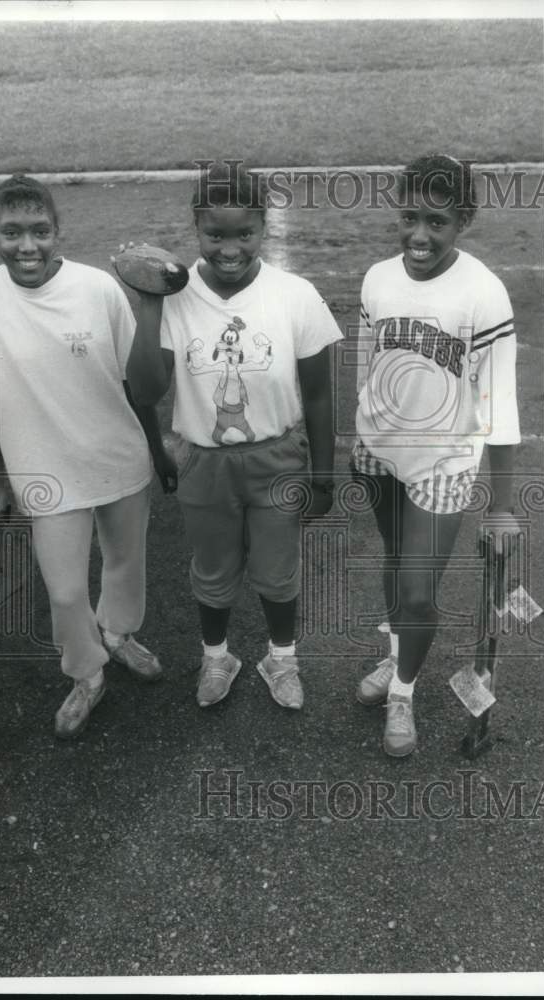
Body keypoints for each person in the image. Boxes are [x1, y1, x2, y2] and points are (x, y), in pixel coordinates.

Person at [0, 174, 175, 739]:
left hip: (118, 458)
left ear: (58, 232)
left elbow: (135, 387)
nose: (27, 246)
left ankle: (119, 634)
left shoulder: (97, 289)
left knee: (126, 564)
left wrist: (158, 451)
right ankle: (86, 672)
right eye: (11, 233)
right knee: (65, 590)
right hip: (42, 470)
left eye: (39, 231)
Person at [126, 160, 343, 710]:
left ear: (263, 228)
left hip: (278, 459)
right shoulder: (175, 297)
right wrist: (150, 304)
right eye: (214, 233)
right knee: (213, 572)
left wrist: (323, 475)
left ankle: (282, 658)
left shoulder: (295, 296)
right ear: (196, 227)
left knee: (277, 573)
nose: (229, 248)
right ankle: (216, 655)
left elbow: (319, 395)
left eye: (244, 233)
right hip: (205, 461)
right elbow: (146, 390)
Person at [351, 153, 522, 757]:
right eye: (409, 217)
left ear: (465, 219)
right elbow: (369, 361)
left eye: (437, 222)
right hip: (379, 451)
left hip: (444, 463)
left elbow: (500, 408)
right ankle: (398, 653)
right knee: (398, 566)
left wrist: (500, 509)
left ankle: (402, 692)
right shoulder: (377, 278)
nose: (418, 235)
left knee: (419, 590)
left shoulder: (483, 295)